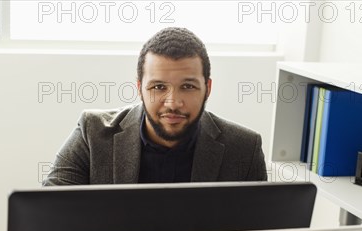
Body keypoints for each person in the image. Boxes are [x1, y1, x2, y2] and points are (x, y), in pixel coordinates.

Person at [43, 27, 267, 185]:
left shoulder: (245, 149)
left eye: (188, 87)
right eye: (159, 87)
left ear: (207, 88)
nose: (173, 102)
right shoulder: (92, 133)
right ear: (140, 88)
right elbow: (49, 213)